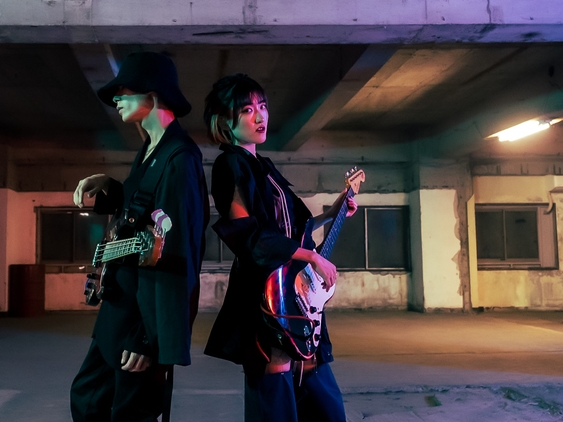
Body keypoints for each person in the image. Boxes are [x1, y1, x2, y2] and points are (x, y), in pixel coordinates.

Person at [202, 74, 357, 422]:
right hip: (266, 295)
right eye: (247, 110)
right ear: (225, 121)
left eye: (262, 106)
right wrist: (311, 256)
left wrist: (335, 211)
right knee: (275, 400)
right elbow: (248, 236)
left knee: (324, 400)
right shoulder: (230, 164)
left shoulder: (264, 167)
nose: (260, 116)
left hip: (295, 292)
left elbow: (294, 229)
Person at [70, 52, 208, 422]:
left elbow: (178, 252)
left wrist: (149, 336)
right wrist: (112, 187)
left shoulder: (180, 158)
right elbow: (144, 211)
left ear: (153, 93)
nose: (116, 99)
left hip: (140, 317)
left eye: (124, 92)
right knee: (87, 399)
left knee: (131, 413)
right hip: (119, 305)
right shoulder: (150, 149)